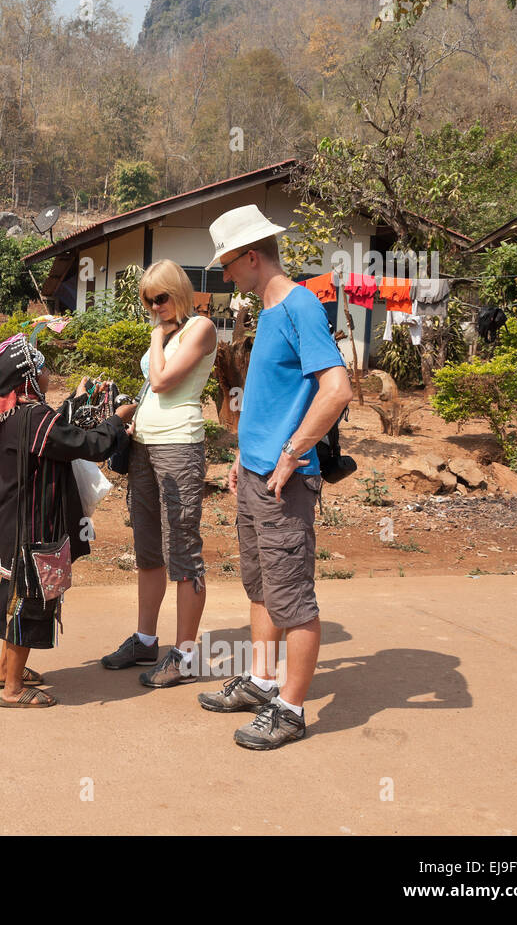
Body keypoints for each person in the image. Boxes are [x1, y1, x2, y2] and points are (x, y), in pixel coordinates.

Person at [196, 205, 352, 749]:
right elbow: (270, 402)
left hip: (285, 479)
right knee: (263, 588)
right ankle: (263, 684)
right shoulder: (270, 312)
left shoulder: (299, 306)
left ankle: (291, 708)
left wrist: (290, 455)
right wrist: (246, 454)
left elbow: (336, 389)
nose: (225, 274)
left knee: (293, 599)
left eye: (228, 264)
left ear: (252, 257)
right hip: (257, 473)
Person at [0, 334, 135, 708]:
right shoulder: (34, 418)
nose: (49, 373)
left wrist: (78, 400)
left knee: (14, 591)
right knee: (32, 598)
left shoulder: (12, 414)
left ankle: (5, 670)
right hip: (35, 524)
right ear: (29, 379)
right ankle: (14, 689)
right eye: (43, 368)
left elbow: (59, 431)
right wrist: (116, 420)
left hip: (14, 520)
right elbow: (87, 444)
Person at [101, 260, 218, 688]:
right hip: (145, 448)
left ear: (178, 292)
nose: (155, 306)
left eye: (161, 297)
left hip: (178, 447)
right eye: (148, 301)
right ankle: (145, 639)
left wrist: (155, 336)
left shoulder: (200, 328)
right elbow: (152, 387)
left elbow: (165, 380)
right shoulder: (167, 332)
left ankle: (185, 655)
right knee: (148, 549)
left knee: (183, 550)